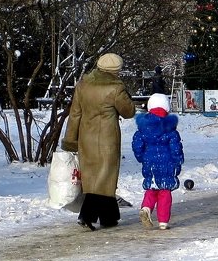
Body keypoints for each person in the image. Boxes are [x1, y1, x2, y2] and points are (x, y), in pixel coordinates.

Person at [62, 52, 137, 230]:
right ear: (116, 70)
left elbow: (75, 114)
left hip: (86, 138)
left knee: (97, 179)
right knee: (104, 179)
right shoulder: (116, 88)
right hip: (107, 140)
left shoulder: (83, 85)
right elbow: (129, 112)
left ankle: (109, 217)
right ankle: (86, 215)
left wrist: (71, 140)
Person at [131, 92, 184, 230]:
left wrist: (141, 157)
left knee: (151, 188)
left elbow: (137, 145)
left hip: (149, 163)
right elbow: (175, 147)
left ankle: (147, 208)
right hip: (167, 163)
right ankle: (163, 221)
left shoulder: (143, 128)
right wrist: (178, 160)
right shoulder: (170, 128)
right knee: (165, 191)